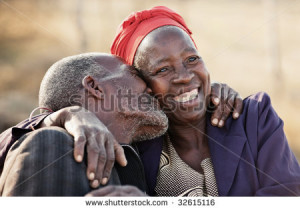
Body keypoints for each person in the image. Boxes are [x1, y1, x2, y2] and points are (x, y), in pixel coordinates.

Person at [110, 6, 300, 196]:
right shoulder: (132, 146)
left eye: (192, 59)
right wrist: (80, 115)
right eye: (163, 70)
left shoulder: (255, 119)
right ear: (141, 86)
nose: (184, 76)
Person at [0, 53, 168, 196]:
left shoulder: (138, 164)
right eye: (133, 74)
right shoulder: (53, 144)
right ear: (95, 87)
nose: (151, 88)